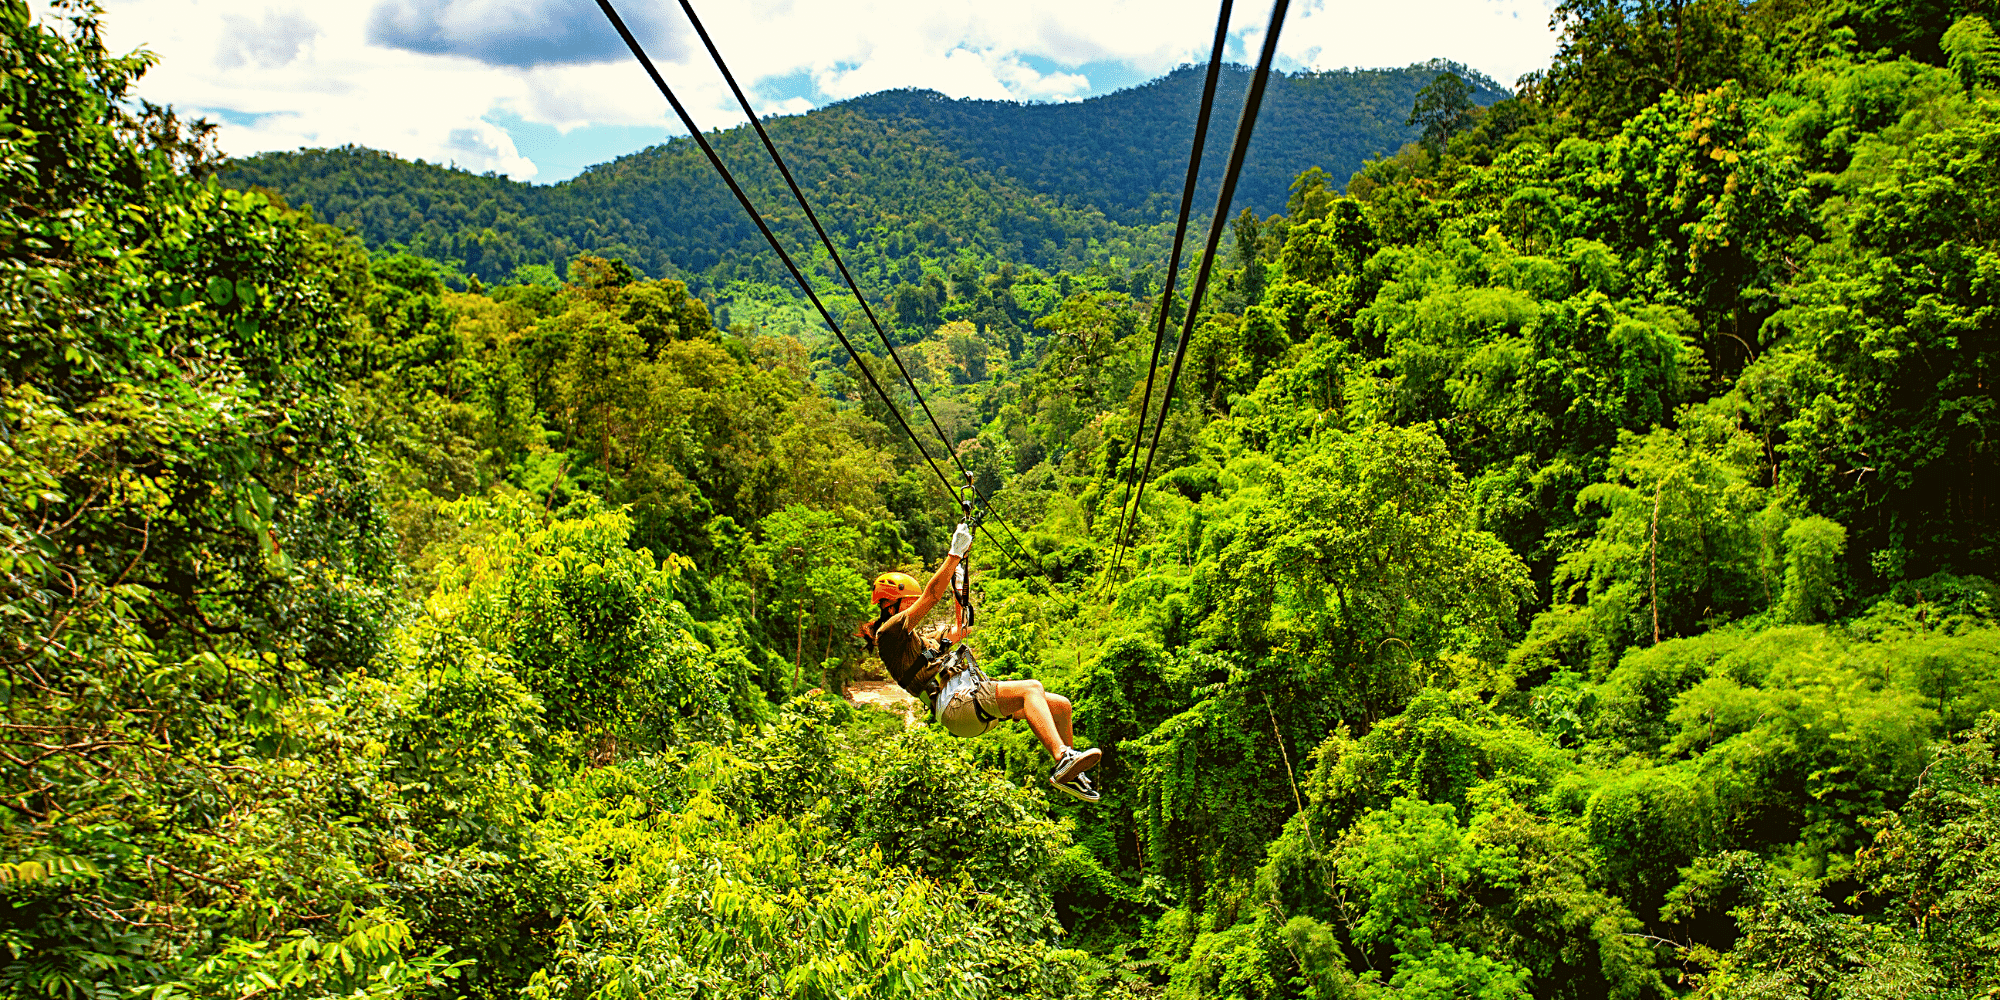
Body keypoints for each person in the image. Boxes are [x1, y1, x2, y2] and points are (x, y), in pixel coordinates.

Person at [859, 522, 1102, 803]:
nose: (914, 608)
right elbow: (931, 596)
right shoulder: (889, 634)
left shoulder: (920, 641)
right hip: (958, 704)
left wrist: (959, 587)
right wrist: (953, 554)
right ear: (892, 605)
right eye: (908, 602)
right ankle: (1062, 758)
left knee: (1061, 707)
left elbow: (962, 630)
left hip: (964, 707)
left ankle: (1070, 770)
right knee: (1031, 688)